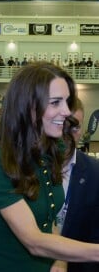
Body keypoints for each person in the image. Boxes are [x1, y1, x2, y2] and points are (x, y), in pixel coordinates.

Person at [0, 61, 99, 272]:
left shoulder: (50, 151)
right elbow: (34, 241)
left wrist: (60, 261)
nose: (67, 111)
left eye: (66, 102)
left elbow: (50, 223)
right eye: (56, 102)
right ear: (28, 106)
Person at [58, 98, 99, 272]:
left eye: (75, 127)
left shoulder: (95, 173)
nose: (67, 134)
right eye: (63, 125)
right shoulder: (25, 169)